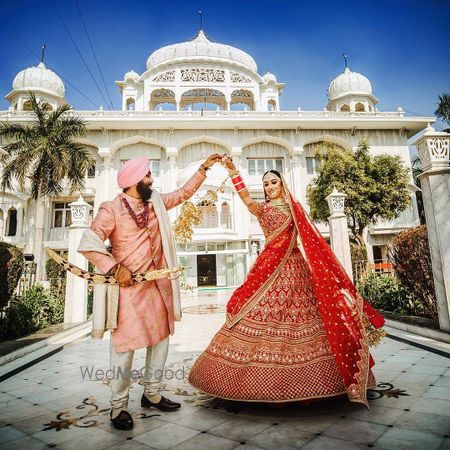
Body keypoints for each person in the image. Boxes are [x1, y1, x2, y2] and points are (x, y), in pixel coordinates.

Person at [188, 156, 385, 408]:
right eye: (266, 184)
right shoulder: (263, 209)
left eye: (274, 182)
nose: (270, 187)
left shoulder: (295, 209)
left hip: (297, 270)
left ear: (282, 184)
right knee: (261, 317)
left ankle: (321, 384)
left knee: (305, 319)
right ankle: (256, 384)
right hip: (269, 269)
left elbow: (312, 241)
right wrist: (234, 173)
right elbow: (247, 200)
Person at [79, 154, 222, 430]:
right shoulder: (112, 209)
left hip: (158, 286)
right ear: (134, 180)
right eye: (147, 176)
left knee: (161, 340)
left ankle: (152, 393)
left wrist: (203, 168)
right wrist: (113, 267)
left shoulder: (154, 202)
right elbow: (89, 241)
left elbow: (182, 194)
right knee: (125, 348)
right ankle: (118, 407)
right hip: (129, 292)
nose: (151, 179)